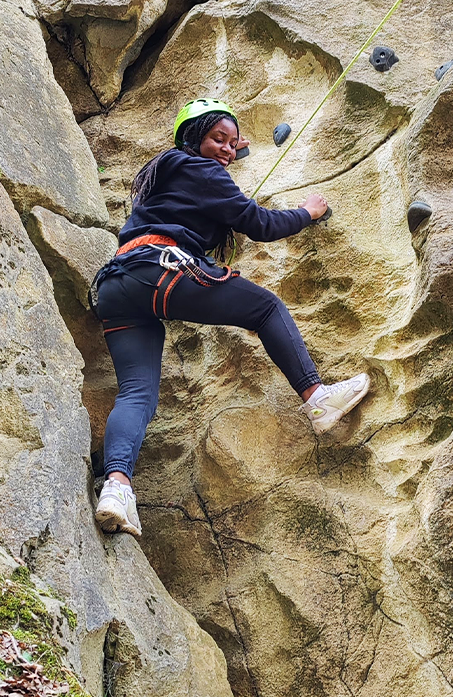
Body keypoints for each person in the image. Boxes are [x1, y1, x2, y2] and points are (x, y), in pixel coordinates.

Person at [90, 98, 371, 537]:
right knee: (265, 307)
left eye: (232, 142)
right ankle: (317, 398)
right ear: (192, 138)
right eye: (216, 138)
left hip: (118, 285)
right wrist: (309, 212)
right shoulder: (198, 168)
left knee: (137, 394)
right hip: (160, 270)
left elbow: (215, 177)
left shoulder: (171, 175)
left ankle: (117, 488)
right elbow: (257, 223)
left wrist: (231, 149)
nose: (225, 148)